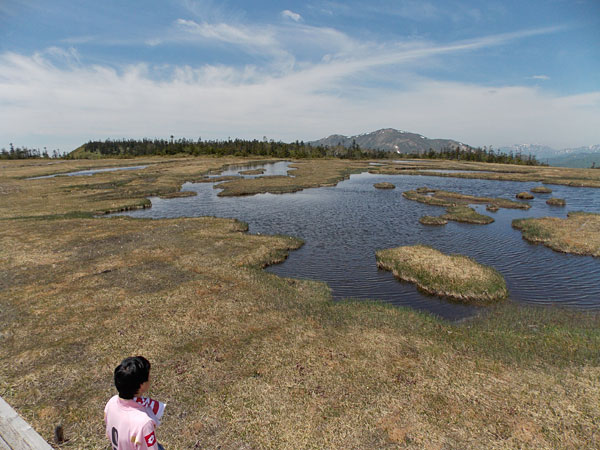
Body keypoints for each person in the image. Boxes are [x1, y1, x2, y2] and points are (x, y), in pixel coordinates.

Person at [104, 356, 165, 450]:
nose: (150, 378)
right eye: (148, 376)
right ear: (141, 385)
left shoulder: (111, 403)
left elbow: (108, 434)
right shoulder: (144, 423)